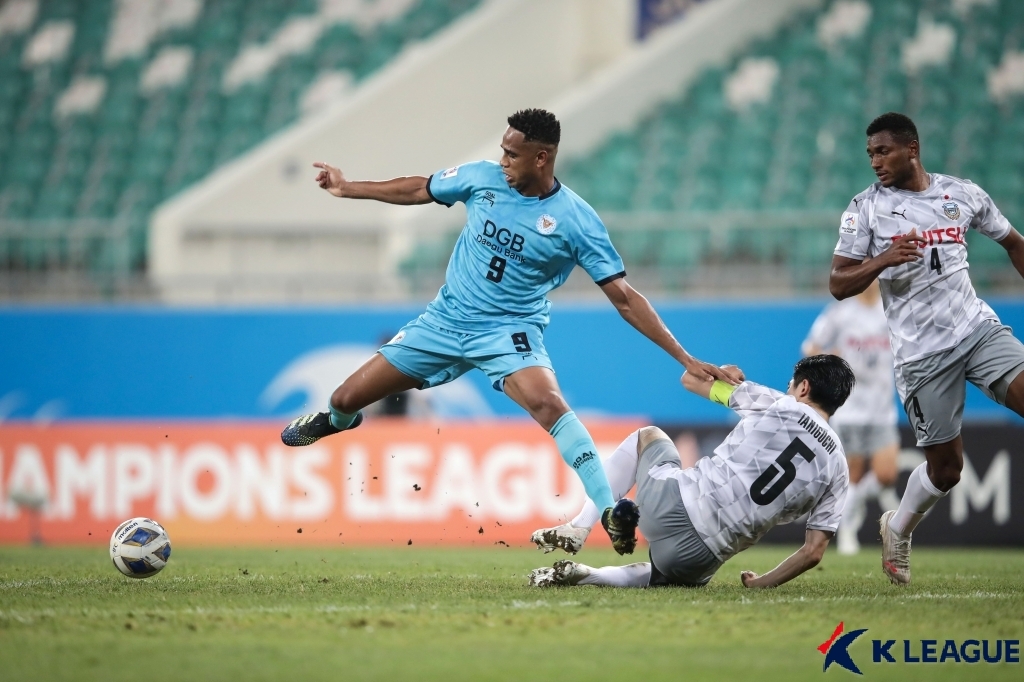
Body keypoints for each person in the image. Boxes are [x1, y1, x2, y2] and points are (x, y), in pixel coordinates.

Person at [280, 108, 737, 552]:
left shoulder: (576, 220)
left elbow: (624, 297)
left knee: (548, 403)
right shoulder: (482, 178)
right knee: (344, 399)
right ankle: (337, 422)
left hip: (508, 332)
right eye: (502, 151)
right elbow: (419, 188)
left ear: (541, 157)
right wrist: (347, 188)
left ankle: (609, 511)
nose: (503, 162)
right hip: (444, 322)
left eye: (512, 155)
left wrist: (686, 358)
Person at [830, 112, 1024, 585]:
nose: (875, 161)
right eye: (870, 153)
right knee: (947, 469)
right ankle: (898, 527)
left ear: (912, 148)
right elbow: (837, 283)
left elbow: (1014, 243)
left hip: (977, 329)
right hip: (922, 356)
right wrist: (884, 258)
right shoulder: (865, 210)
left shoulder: (962, 194)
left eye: (883, 151)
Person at [528, 355, 854, 589]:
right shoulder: (839, 466)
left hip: (674, 506)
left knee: (648, 436)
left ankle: (580, 527)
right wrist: (761, 583)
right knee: (662, 577)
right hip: (702, 557)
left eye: (790, 386)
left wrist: (723, 371)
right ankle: (590, 575)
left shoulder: (778, 405)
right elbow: (814, 551)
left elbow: (689, 379)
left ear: (803, 388)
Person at [802, 280, 899, 555]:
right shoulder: (840, 312)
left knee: (886, 474)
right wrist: (831, 358)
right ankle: (847, 531)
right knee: (853, 474)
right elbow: (810, 348)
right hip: (850, 406)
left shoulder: (891, 309)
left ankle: (852, 510)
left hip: (882, 407)